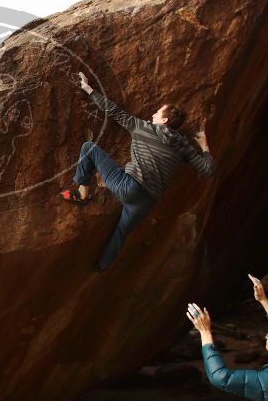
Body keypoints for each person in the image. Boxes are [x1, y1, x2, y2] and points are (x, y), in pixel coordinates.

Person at [62, 72, 216, 270]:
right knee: (121, 233)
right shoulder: (183, 147)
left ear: (164, 121)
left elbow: (114, 111)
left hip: (129, 187)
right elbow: (208, 169)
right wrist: (204, 146)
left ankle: (82, 194)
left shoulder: (142, 128)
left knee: (88, 148)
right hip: (147, 202)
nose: (153, 114)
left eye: (158, 113)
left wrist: (88, 88)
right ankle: (101, 266)